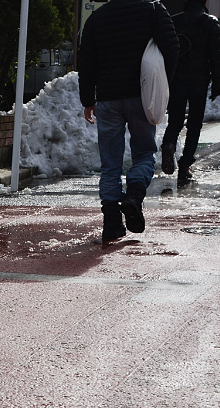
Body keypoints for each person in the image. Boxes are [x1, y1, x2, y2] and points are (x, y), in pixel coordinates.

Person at [78, 0, 178, 243]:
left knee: (110, 164)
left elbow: (87, 61)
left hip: (109, 100)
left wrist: (88, 99)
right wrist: (165, 85)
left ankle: (111, 223)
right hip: (141, 97)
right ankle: (133, 197)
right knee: (144, 153)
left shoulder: (97, 18)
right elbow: (173, 47)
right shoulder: (153, 10)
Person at [160, 0, 220, 187]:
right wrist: (217, 82)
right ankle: (185, 166)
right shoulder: (210, 23)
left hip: (176, 79)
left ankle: (169, 144)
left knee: (175, 120)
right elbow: (216, 56)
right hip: (199, 80)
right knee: (195, 124)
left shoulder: (173, 21)